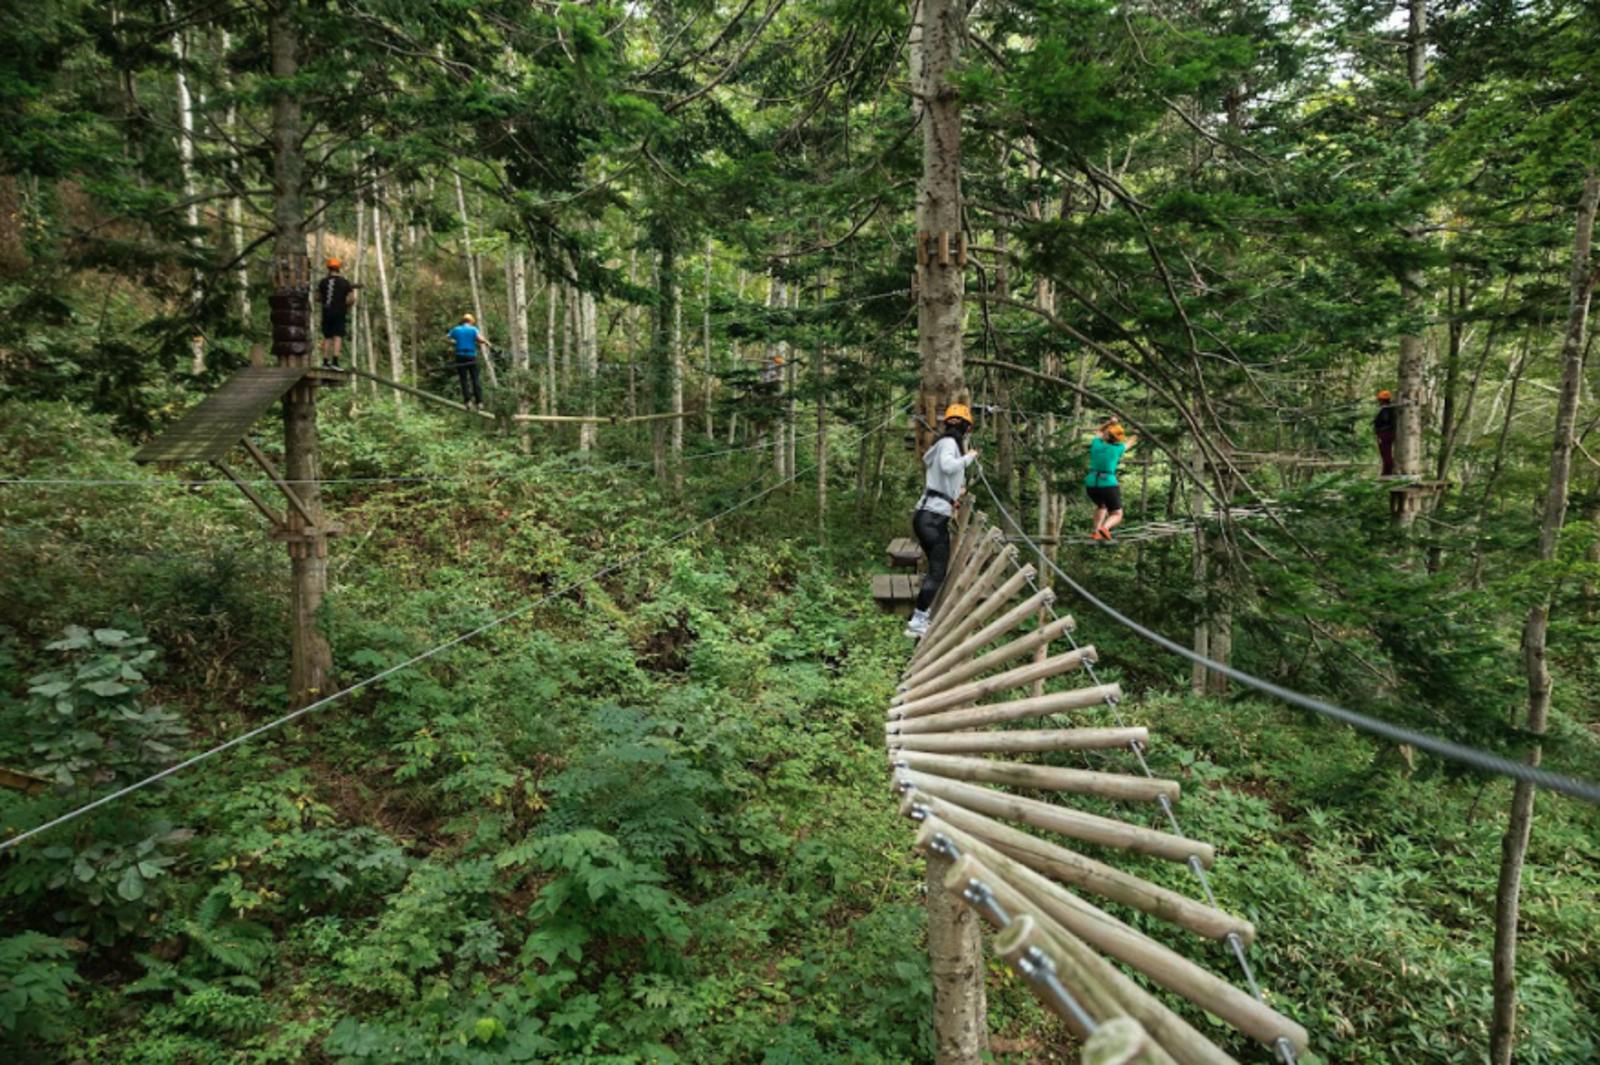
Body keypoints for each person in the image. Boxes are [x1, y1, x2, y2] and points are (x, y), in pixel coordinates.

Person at [905, 404, 980, 639]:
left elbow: (942, 474)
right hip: (933, 517)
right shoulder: (949, 445)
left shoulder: (942, 445)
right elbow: (948, 467)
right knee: (937, 571)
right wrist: (969, 457)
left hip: (929, 514)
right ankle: (917, 622)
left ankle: (921, 617)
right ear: (966, 428)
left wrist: (954, 495)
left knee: (936, 569)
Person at [1085, 419, 1135, 542]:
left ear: (1106, 435)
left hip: (1091, 483)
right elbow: (1131, 441)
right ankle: (1105, 528)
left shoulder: (1096, 444)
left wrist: (1109, 422)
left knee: (1101, 506)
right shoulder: (1117, 449)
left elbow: (1099, 431)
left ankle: (1096, 531)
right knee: (1117, 513)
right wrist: (1137, 432)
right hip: (1107, 483)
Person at [315, 258, 356, 368]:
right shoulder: (345, 282)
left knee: (327, 336)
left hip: (326, 312)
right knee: (338, 336)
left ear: (328, 268)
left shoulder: (323, 282)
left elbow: (317, 297)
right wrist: (346, 305)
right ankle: (335, 362)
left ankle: (325, 362)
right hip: (339, 312)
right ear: (339, 269)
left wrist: (325, 300)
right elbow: (352, 298)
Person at [446, 313, 488, 409]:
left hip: (460, 356)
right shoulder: (473, 329)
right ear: (471, 321)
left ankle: (468, 401)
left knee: (463, 379)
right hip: (471, 356)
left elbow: (447, 338)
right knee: (475, 379)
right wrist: (487, 342)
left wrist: (455, 342)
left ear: (463, 321)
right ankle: (479, 402)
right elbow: (480, 339)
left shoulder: (456, 329)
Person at [1373, 389, 1397, 476]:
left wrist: (1378, 429)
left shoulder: (1386, 410)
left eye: (1380, 400)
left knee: (1386, 454)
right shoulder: (1389, 409)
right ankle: (1387, 471)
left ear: (1382, 400)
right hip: (1386, 433)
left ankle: (1387, 472)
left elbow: (1384, 420)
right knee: (1386, 454)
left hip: (1385, 434)